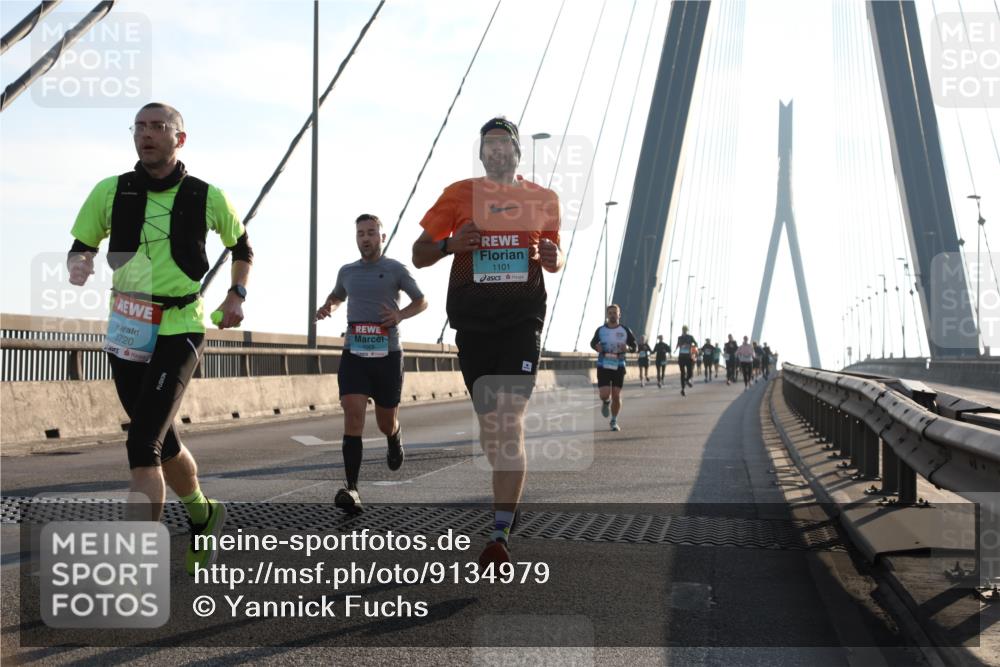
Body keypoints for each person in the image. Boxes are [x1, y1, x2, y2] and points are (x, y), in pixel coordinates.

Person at [67, 102, 252, 574]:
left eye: (158, 127)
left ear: (179, 138)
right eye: (140, 127)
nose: (147, 134)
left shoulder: (206, 195)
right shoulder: (111, 191)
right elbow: (82, 245)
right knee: (161, 438)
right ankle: (204, 513)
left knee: (141, 443)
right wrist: (80, 264)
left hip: (180, 325)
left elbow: (241, 246)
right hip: (128, 325)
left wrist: (235, 294)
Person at [412, 116, 563, 568]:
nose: (497, 150)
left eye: (505, 144)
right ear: (481, 153)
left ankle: (500, 533)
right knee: (492, 428)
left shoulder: (543, 199)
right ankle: (504, 489)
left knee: (509, 419)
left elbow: (553, 255)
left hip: (522, 320)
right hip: (473, 323)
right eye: (489, 144)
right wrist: (450, 245)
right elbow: (419, 255)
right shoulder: (458, 195)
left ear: (518, 153)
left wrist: (556, 256)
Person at [315, 214, 427, 513]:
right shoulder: (347, 271)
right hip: (355, 353)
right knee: (353, 415)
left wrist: (400, 315)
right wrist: (329, 306)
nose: (366, 238)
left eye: (371, 233)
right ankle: (352, 489)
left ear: (382, 237)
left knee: (384, 421)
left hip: (387, 356)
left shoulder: (395, 269)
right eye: (361, 233)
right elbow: (338, 295)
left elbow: (421, 300)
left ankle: (394, 436)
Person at [590, 305, 638, 431]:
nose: (612, 315)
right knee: (605, 394)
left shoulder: (625, 330)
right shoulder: (601, 330)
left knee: (616, 395)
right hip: (603, 364)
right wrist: (596, 347)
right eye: (610, 313)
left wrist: (628, 348)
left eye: (614, 313)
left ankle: (614, 420)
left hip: (619, 364)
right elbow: (592, 343)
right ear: (607, 315)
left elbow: (635, 346)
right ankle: (606, 402)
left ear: (619, 315)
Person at [676, 325, 696, 396]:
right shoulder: (679, 338)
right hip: (681, 357)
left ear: (687, 331)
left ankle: (687, 380)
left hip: (688, 357)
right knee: (682, 373)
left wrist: (691, 346)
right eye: (684, 330)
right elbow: (678, 345)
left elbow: (695, 344)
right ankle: (683, 389)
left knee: (690, 373)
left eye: (685, 330)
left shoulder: (690, 337)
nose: (684, 331)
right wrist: (678, 346)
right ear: (682, 330)